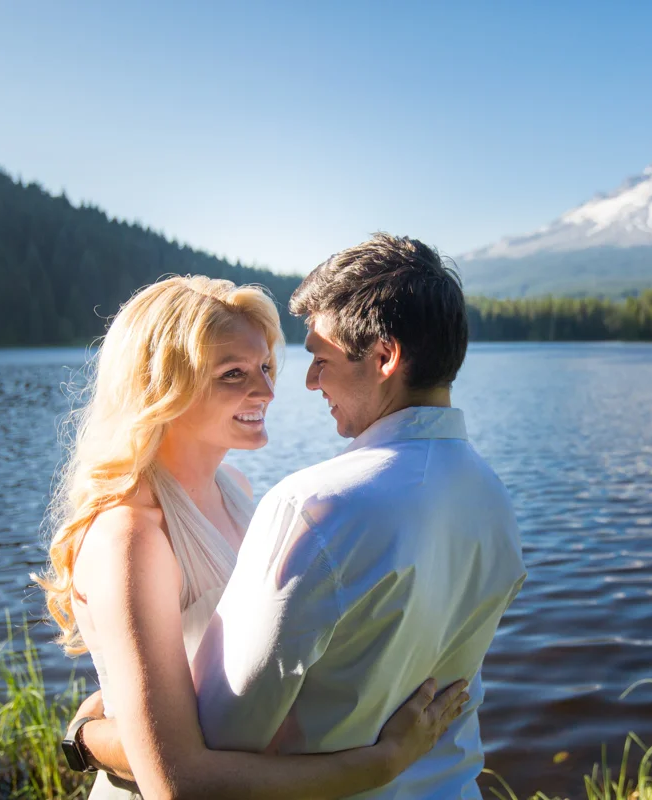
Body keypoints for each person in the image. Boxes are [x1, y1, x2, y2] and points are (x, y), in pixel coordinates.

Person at [36, 274, 469, 800]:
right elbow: (177, 781)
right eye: (233, 373)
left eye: (265, 368)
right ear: (162, 386)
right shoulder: (130, 535)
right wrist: (380, 764)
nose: (265, 390)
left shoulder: (236, 488)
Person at [192, 234, 527, 799]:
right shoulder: (493, 499)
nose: (307, 382)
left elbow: (221, 731)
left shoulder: (316, 508)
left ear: (384, 357)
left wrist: (93, 730)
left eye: (320, 361)